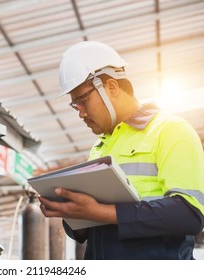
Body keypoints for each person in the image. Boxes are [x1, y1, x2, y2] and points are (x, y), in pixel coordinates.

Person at [38, 41, 204, 260]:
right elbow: (91, 227)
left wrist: (100, 212)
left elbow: (189, 214)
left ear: (112, 87)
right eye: (75, 105)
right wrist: (71, 213)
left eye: (83, 100)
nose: (80, 113)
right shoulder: (99, 148)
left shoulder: (171, 130)